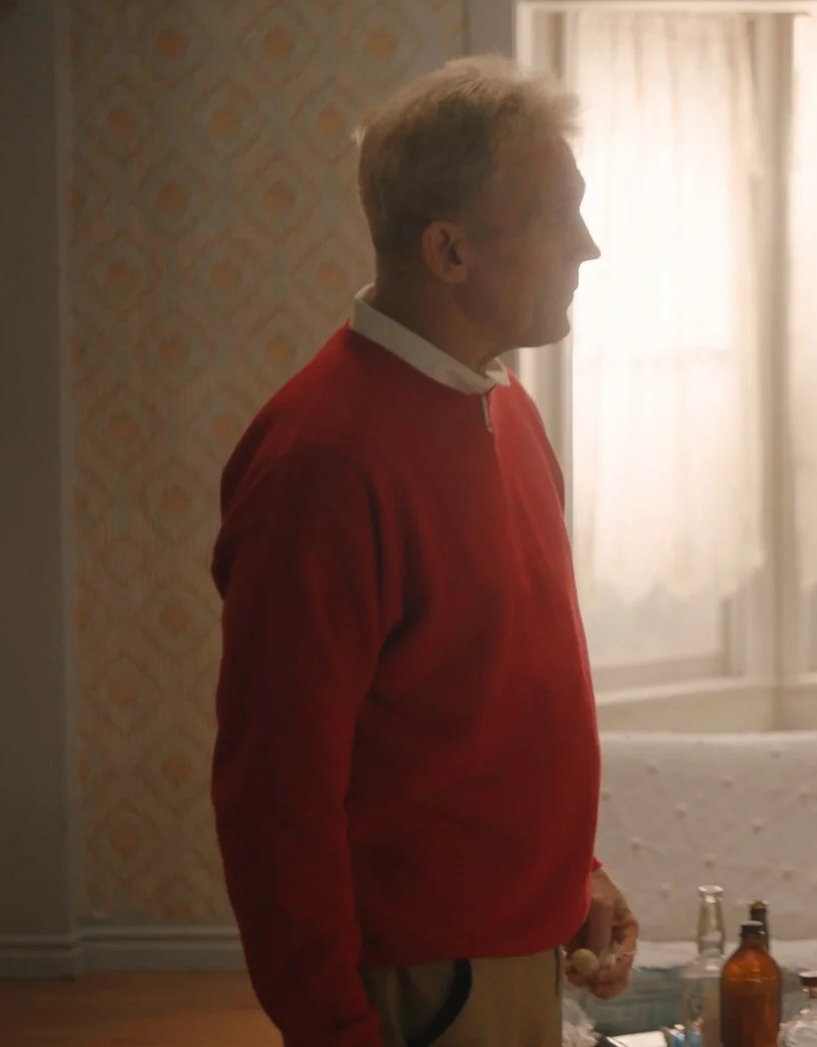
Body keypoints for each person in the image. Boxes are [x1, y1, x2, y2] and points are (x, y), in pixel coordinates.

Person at [209, 56, 626, 1047]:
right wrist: (332, 1024)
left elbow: (490, 708)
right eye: (555, 217)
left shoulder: (510, 412)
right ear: (448, 251)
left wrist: (575, 878)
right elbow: (275, 795)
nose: (589, 248)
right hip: (418, 988)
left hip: (516, 959)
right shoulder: (323, 461)